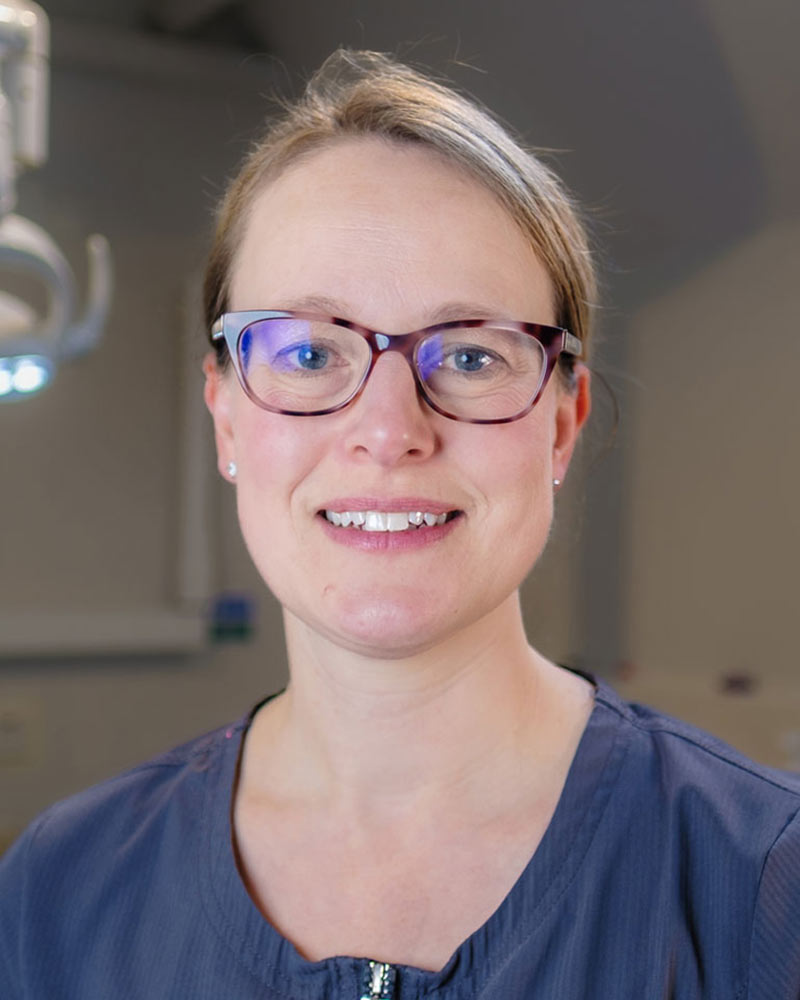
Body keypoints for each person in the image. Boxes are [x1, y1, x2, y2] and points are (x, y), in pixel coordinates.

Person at [1, 49, 799, 1000]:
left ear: (560, 425)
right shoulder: (60, 887)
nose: (388, 431)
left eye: (468, 356)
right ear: (226, 414)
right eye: (308, 350)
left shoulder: (760, 881)